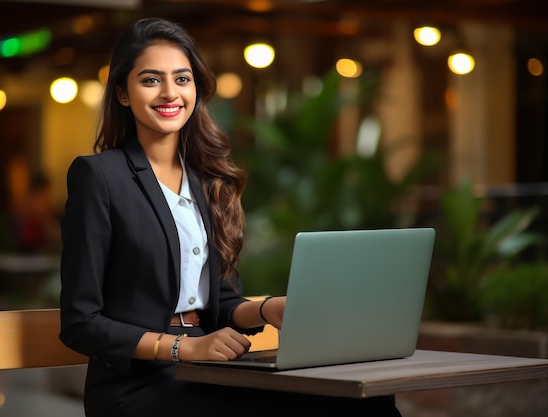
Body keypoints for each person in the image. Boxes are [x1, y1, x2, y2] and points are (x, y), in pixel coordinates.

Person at [59, 17, 402, 417]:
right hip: (139, 385)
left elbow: (221, 303)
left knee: (366, 399)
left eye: (182, 79)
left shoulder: (206, 179)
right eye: (151, 80)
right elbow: (80, 322)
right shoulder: (99, 176)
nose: (170, 92)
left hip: (207, 368)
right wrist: (182, 346)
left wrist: (267, 308)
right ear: (122, 93)